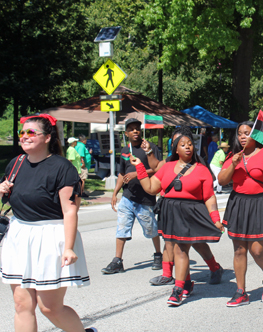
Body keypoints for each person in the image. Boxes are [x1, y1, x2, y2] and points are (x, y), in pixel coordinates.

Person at [0, 114, 96, 332]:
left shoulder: (62, 167)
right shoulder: (16, 164)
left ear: (47, 138)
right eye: (22, 133)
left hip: (51, 237)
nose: (24, 136)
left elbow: (70, 210)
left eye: (31, 132)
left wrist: (69, 247)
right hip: (20, 235)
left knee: (49, 307)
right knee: (22, 304)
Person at [131, 130, 224, 306]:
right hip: (170, 212)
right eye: (183, 144)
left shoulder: (202, 170)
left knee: (182, 249)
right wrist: (139, 167)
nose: (188, 147)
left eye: (190, 144)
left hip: (191, 212)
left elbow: (209, 197)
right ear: (175, 149)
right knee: (176, 248)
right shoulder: (166, 167)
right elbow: (151, 189)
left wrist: (215, 218)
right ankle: (186, 282)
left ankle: (178, 289)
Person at [218, 121, 263, 306]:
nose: (243, 136)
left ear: (256, 135)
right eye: (240, 133)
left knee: (257, 251)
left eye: (247, 133)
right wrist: (233, 165)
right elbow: (221, 180)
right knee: (239, 250)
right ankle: (241, 292)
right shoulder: (233, 156)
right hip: (238, 204)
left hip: (261, 203)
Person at [101, 118, 163, 274]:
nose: (135, 131)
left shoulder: (149, 147)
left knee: (151, 228)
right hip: (128, 196)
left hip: (145, 197)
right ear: (126, 133)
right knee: (122, 227)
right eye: (132, 129)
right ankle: (117, 261)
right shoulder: (125, 150)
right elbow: (122, 173)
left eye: (137, 128)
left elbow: (158, 169)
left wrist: (138, 173)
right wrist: (115, 193)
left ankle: (158, 255)